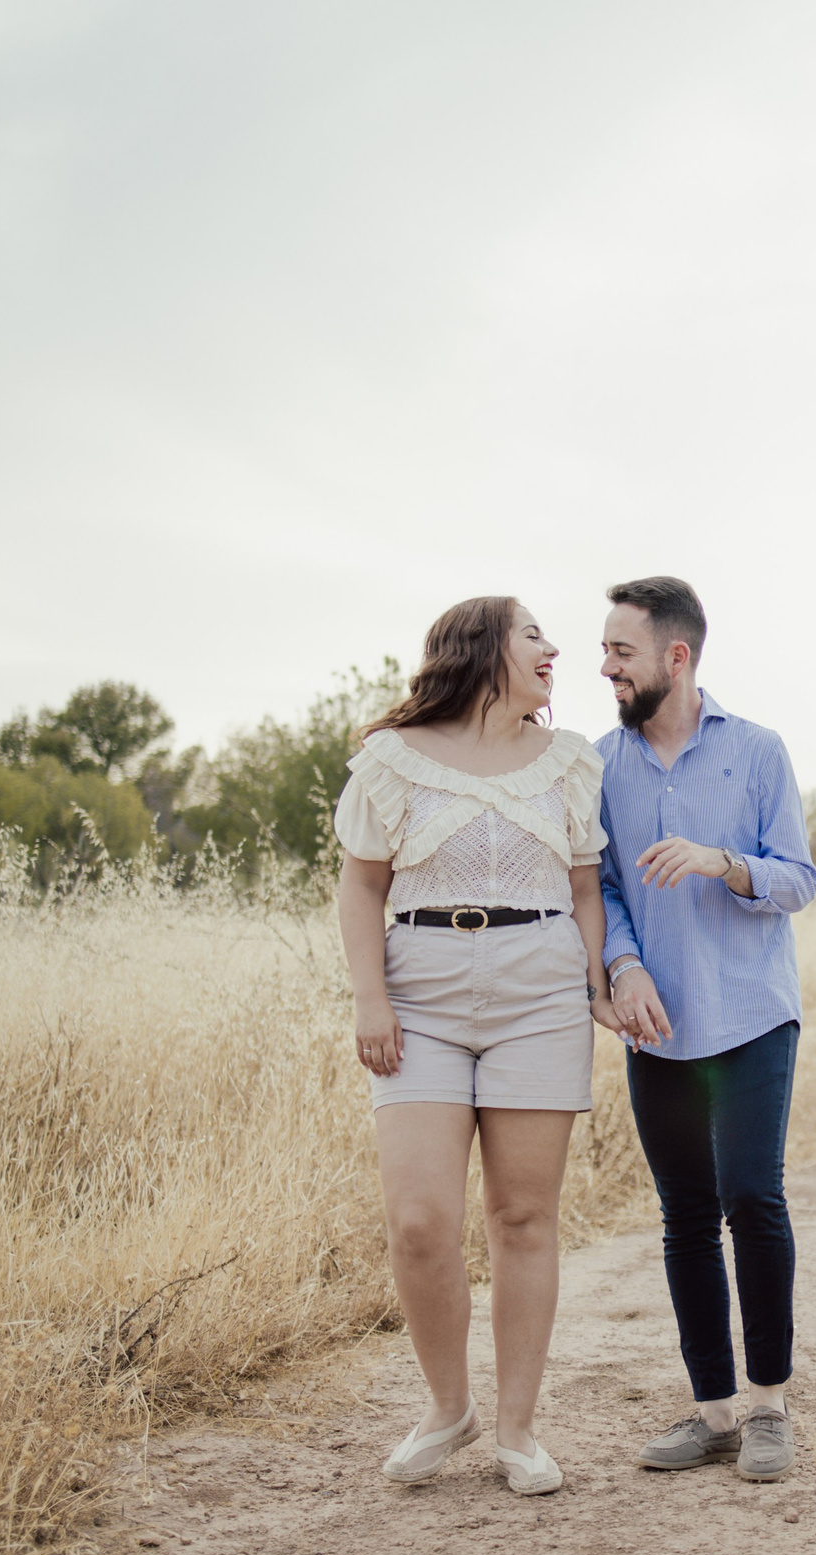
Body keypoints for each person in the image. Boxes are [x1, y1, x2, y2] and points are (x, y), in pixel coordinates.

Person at [335, 596, 614, 1497]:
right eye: (534, 634)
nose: (554, 649)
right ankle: (447, 1407)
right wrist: (369, 997)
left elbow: (584, 891)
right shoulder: (391, 761)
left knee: (523, 1217)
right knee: (420, 1222)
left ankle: (518, 1430)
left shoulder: (569, 763)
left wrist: (601, 985)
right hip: (421, 992)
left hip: (539, 990)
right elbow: (360, 888)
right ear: (484, 645)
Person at [595, 576, 816, 1482]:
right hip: (658, 1023)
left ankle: (769, 1406)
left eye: (621, 651)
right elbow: (601, 886)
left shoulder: (758, 751)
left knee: (751, 1201)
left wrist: (723, 863)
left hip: (753, 1013)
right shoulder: (602, 766)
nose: (606, 666)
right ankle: (713, 1412)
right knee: (684, 1219)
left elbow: (798, 879)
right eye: (605, 650)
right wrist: (622, 964)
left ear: (675, 657)